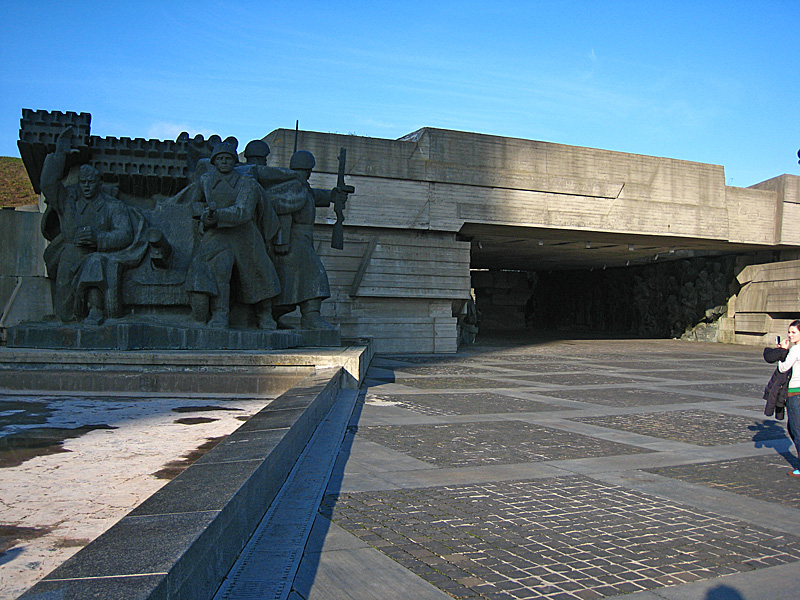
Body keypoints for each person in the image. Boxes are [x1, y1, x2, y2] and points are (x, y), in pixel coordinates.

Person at [40, 127, 146, 324]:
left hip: (102, 253)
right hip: (70, 253)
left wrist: (98, 238)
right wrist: (60, 154)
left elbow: (125, 234)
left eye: (91, 182)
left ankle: (95, 309)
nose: (87, 186)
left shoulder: (113, 206)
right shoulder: (68, 201)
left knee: (95, 263)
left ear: (98, 182)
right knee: (64, 314)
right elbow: (47, 185)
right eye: (83, 182)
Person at [184, 142, 280, 329]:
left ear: (235, 161)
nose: (224, 162)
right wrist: (202, 212)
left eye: (228, 158)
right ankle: (220, 315)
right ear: (214, 162)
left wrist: (216, 214)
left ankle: (265, 315)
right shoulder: (205, 181)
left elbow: (243, 211)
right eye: (220, 158)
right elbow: (194, 203)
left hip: (245, 235)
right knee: (218, 272)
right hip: (217, 234)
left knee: (258, 273)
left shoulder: (247, 183)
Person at [264, 150, 348, 329]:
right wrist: (282, 241)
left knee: (289, 283)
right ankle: (311, 317)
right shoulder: (293, 187)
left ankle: (272, 316)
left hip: (300, 240)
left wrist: (331, 196)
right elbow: (283, 212)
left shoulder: (301, 186)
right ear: (308, 169)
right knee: (315, 275)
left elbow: (311, 195)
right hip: (293, 242)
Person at [777, 319, 800, 477]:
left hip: (794, 393)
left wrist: (782, 353)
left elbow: (784, 367)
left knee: (795, 430)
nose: (790, 335)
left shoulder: (795, 350)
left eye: (793, 332)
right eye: (789, 332)